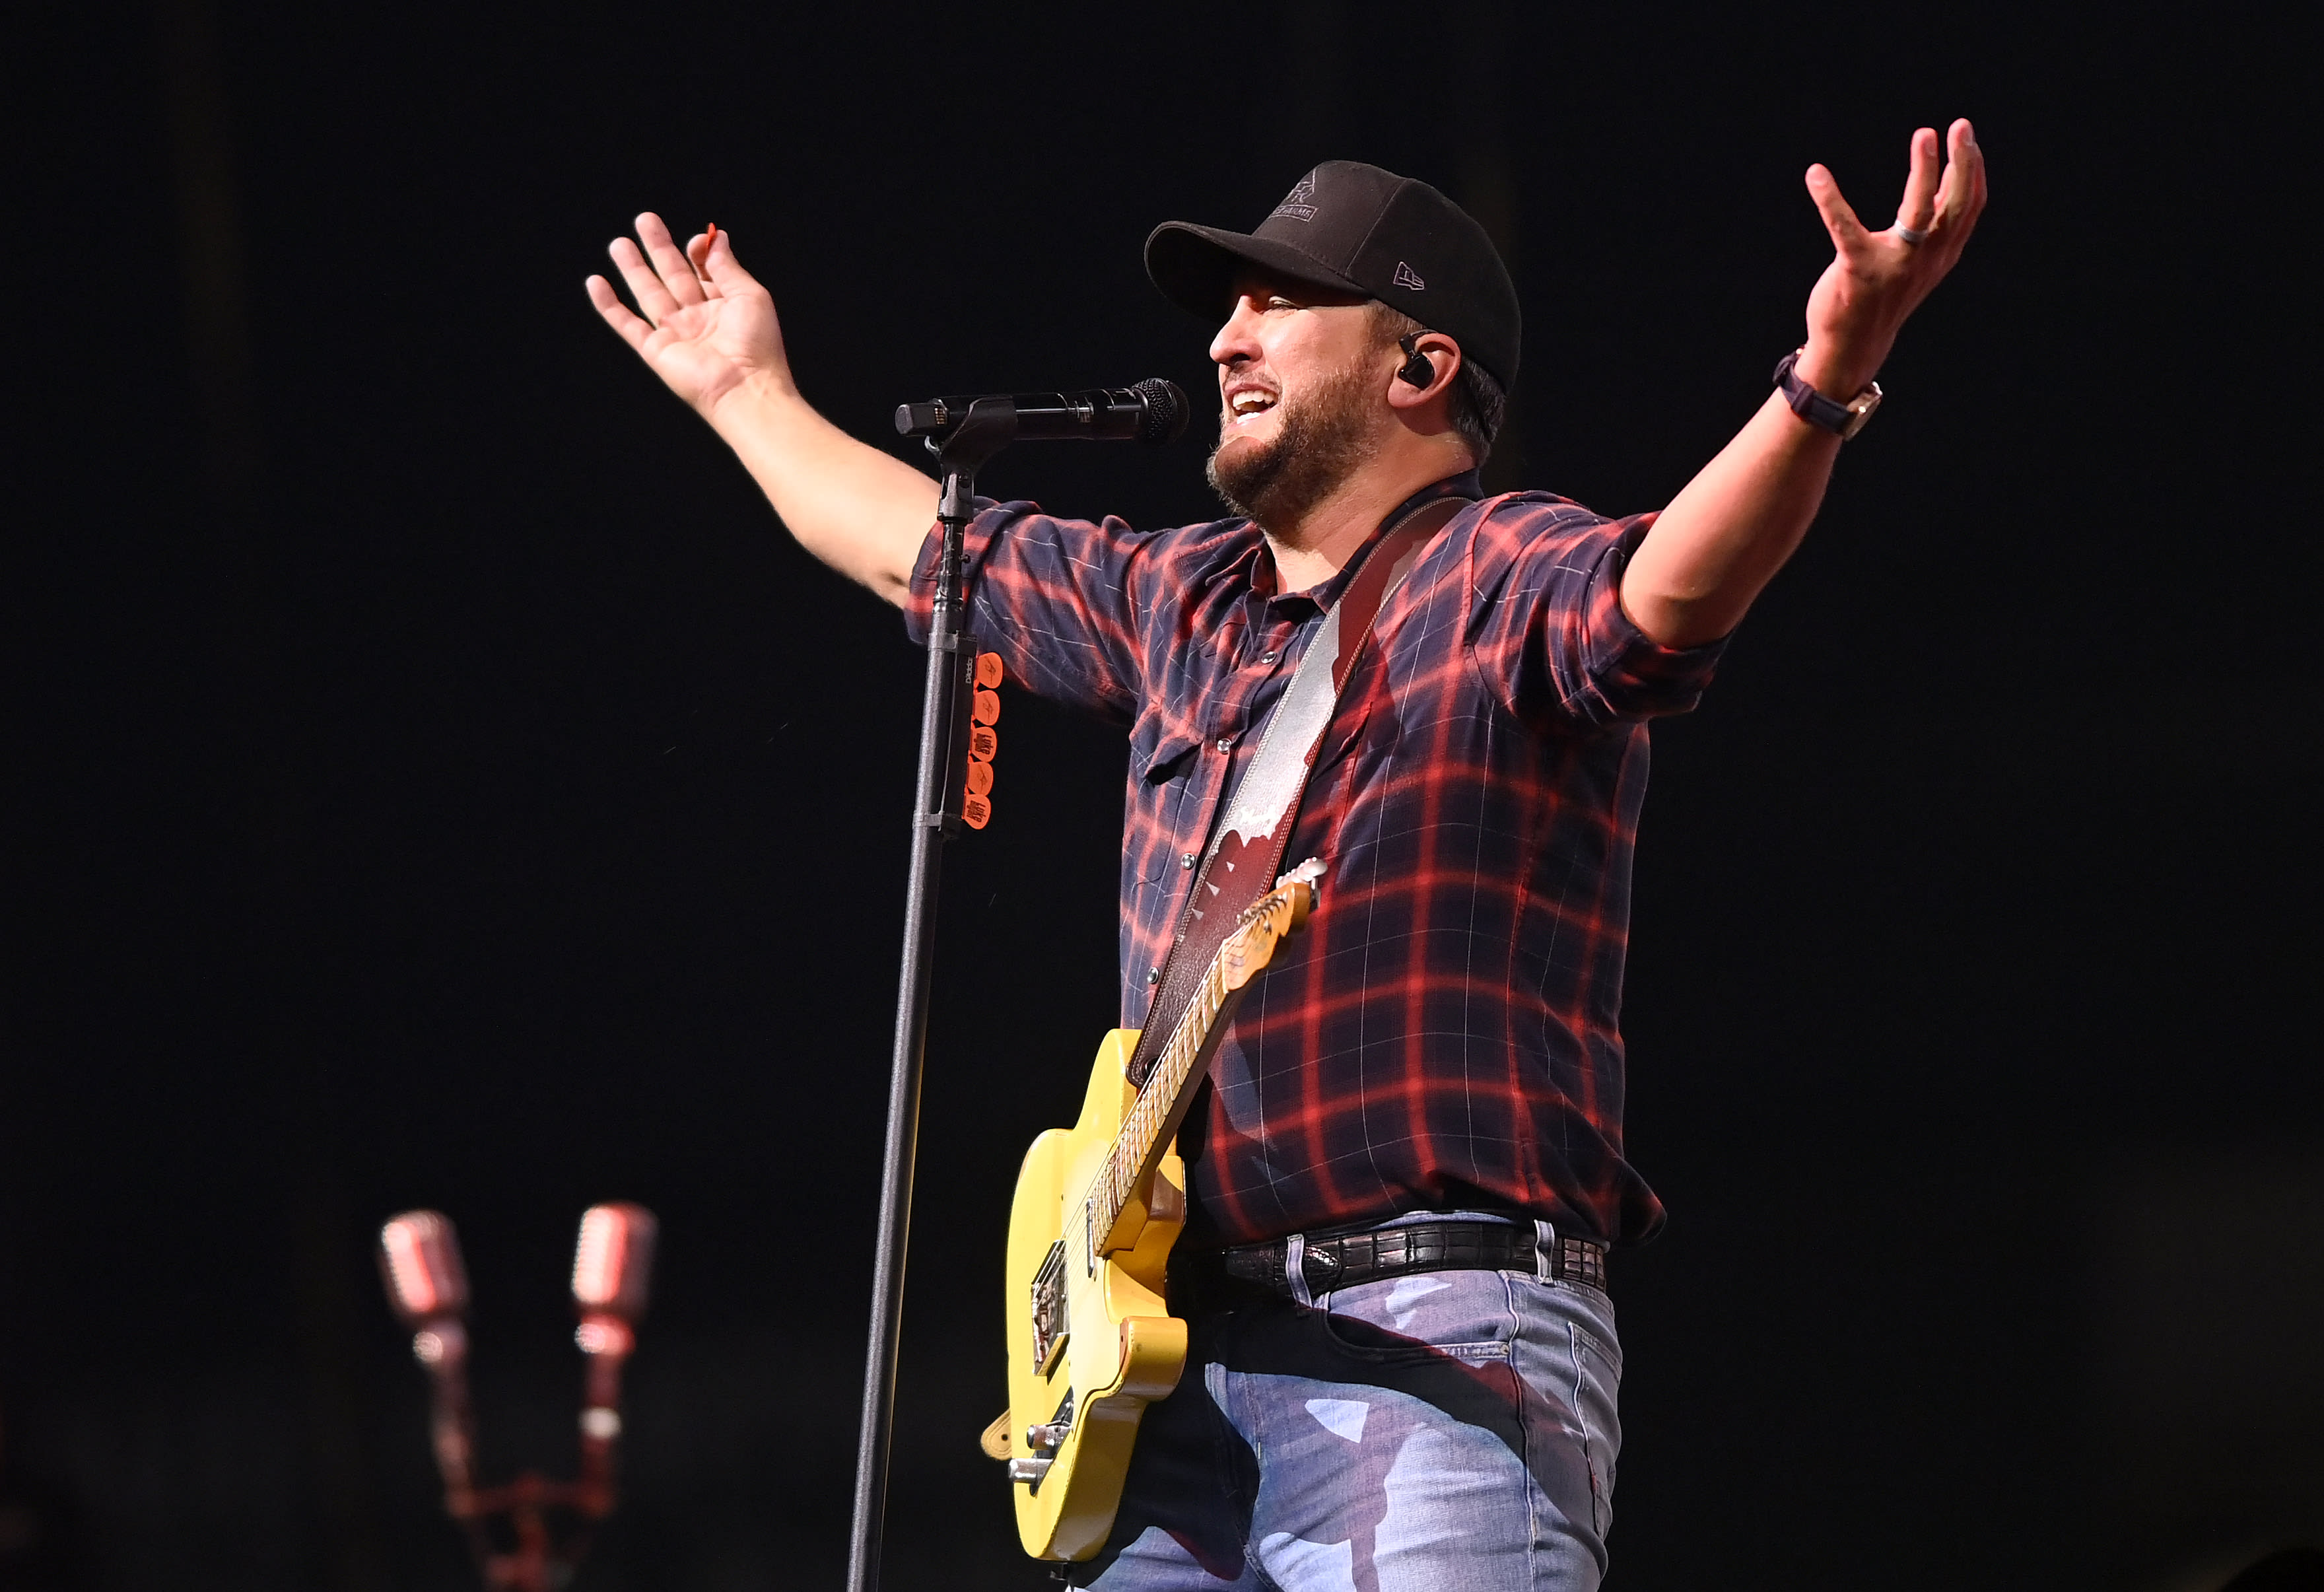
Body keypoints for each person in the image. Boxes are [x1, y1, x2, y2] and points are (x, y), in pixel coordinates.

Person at [589, 127, 1985, 1591]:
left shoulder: (1495, 571)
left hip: (1433, 1339)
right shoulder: (1179, 601)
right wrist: (746, 393)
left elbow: (1665, 596)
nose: (1224, 335)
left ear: (1418, 367)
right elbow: (912, 549)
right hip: (1166, 1374)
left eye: (1276, 303)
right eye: (1226, 305)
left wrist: (1822, 384)